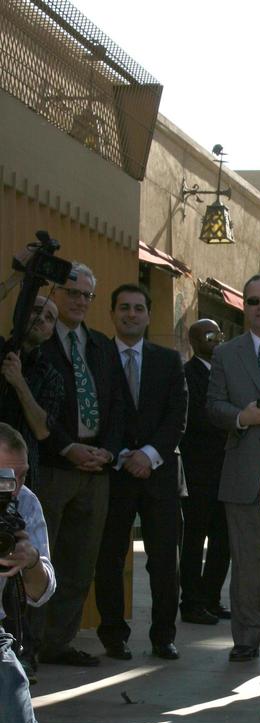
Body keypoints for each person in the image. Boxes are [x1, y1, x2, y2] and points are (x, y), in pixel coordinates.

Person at [32, 264, 125, 668]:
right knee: (41, 560)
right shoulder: (40, 342)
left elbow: (119, 406)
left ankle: (58, 642)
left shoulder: (102, 345)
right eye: (73, 293)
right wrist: (66, 447)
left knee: (80, 562)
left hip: (96, 469)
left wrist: (108, 450)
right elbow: (36, 407)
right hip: (54, 466)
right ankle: (30, 644)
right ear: (57, 294)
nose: (80, 301)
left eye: (87, 295)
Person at [94, 284, 187, 662]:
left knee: (165, 560)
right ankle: (114, 636)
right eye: (123, 308)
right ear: (113, 314)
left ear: (148, 315)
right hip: (112, 473)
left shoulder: (168, 360)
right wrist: (120, 455)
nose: (131, 314)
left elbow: (177, 417)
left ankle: (163, 636)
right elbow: (95, 412)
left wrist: (148, 456)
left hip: (159, 475)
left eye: (138, 309)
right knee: (110, 557)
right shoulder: (97, 356)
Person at [206, 275, 260, 665]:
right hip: (242, 473)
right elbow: (212, 407)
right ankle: (246, 639)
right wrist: (242, 417)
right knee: (246, 564)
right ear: (244, 306)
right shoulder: (226, 354)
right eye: (254, 301)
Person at [179, 320, 231, 625]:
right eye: (210, 336)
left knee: (223, 541)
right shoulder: (188, 375)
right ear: (194, 341)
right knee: (194, 539)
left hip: (226, 471)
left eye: (220, 334)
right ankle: (192, 602)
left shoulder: (224, 374)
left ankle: (211, 598)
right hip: (198, 472)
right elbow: (199, 418)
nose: (217, 340)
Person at [0, 424, 55, 696]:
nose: (14, 488)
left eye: (20, 476)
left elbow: (39, 594)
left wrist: (30, 559)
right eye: (4, 477)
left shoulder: (25, 503)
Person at [0, 295, 64, 491]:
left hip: (20, 475)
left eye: (49, 317)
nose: (41, 318)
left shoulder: (51, 374)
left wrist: (19, 382)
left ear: (51, 332)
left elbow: (42, 430)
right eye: (36, 310)